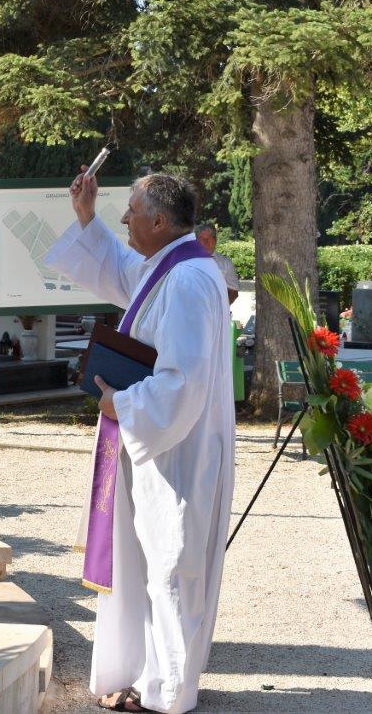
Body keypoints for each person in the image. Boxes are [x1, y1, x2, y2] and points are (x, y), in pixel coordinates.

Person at [44, 171, 235, 714]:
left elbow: (184, 380)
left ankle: (169, 694)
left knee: (173, 565)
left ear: (158, 220)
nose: (123, 218)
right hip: (161, 446)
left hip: (180, 452)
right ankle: (148, 678)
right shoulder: (171, 265)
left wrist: (121, 405)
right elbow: (126, 271)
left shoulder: (191, 279)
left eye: (130, 210)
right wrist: (88, 218)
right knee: (153, 565)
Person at [195, 223, 240, 305]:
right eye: (202, 238)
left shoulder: (226, 263)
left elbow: (233, 292)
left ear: (215, 240)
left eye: (209, 238)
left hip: (217, 315)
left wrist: (219, 308)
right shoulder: (187, 262)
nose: (206, 242)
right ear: (196, 241)